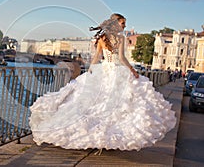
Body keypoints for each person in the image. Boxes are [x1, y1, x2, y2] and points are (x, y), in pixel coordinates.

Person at [29, 13, 176, 154]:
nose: (125, 26)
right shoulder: (120, 38)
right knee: (118, 104)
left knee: (98, 103)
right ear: (115, 24)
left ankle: (94, 133)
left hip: (104, 71)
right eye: (123, 23)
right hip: (117, 71)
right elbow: (122, 59)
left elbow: (97, 58)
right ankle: (107, 137)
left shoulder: (102, 38)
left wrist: (90, 71)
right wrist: (133, 70)